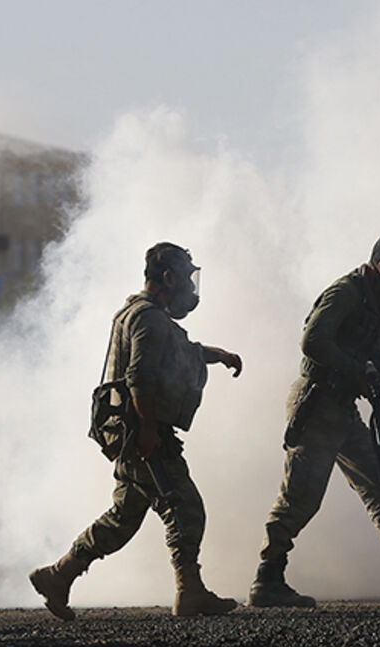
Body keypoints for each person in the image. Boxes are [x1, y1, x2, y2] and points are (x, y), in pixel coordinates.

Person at [249, 230, 380, 607]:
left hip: (342, 410)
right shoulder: (347, 291)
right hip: (316, 406)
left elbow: (366, 353)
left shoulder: (375, 302)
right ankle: (267, 579)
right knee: (301, 498)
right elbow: (312, 341)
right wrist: (358, 370)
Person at [28, 242, 243, 620]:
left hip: (134, 432)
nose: (190, 289)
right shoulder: (147, 318)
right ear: (169, 278)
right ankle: (189, 591)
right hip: (142, 433)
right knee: (185, 508)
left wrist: (219, 355)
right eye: (185, 279)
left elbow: (180, 351)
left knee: (123, 517)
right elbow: (140, 377)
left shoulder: (138, 314)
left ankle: (58, 576)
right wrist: (147, 429)